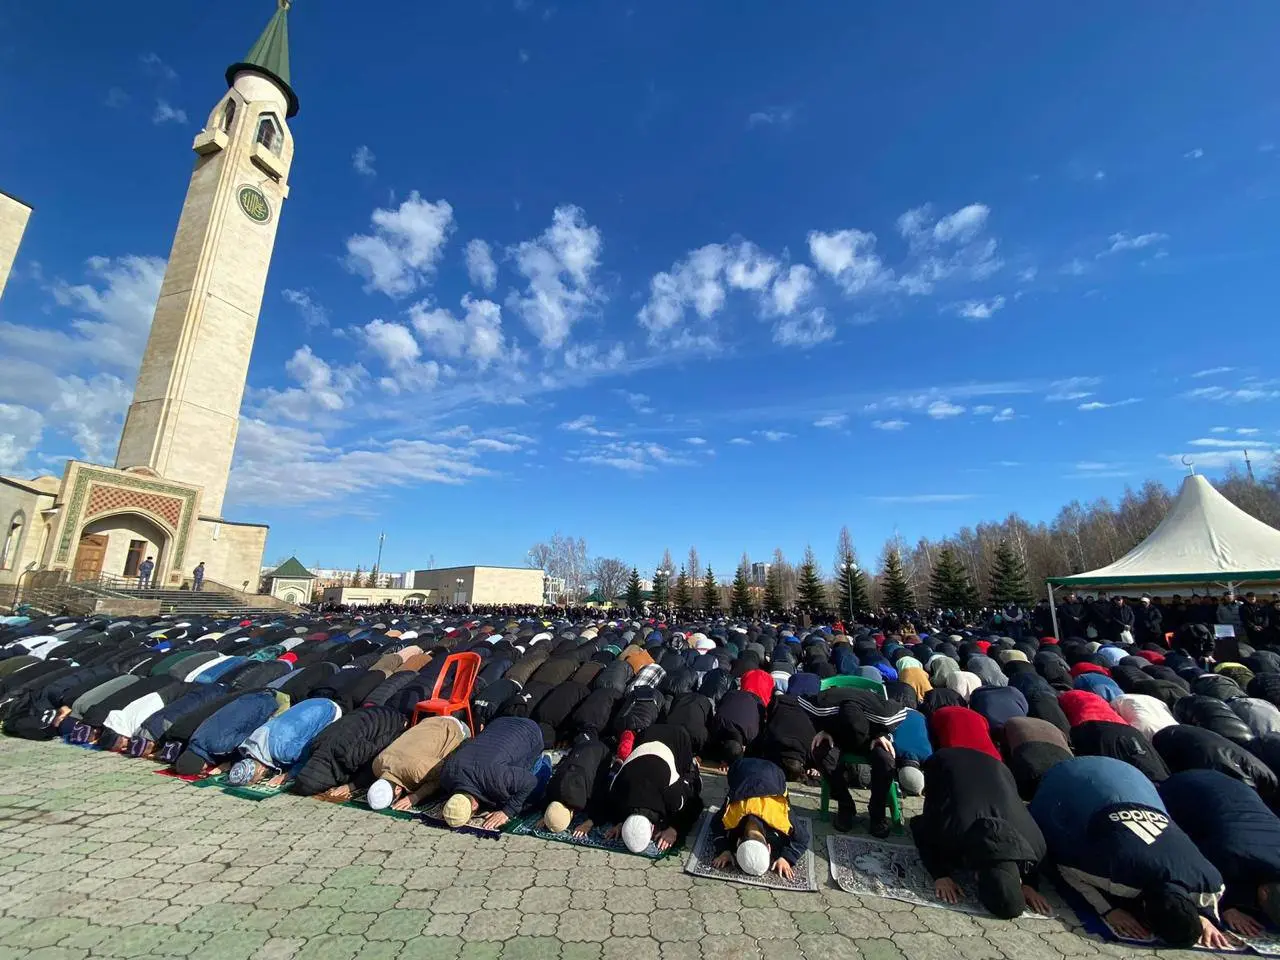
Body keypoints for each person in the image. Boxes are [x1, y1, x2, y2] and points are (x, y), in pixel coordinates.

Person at [1030, 756, 1231, 950]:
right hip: (1072, 778)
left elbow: (1208, 900)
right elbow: (1066, 869)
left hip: (1133, 778)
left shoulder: (1211, 882)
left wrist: (1203, 918)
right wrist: (1109, 910)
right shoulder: (1114, 868)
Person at [910, 747, 1052, 918]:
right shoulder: (952, 834)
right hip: (947, 761)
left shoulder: (1036, 849)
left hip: (999, 767)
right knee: (938, 807)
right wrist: (940, 874)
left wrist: (1030, 885)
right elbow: (919, 826)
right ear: (977, 877)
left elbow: (1031, 869)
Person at [1160, 769, 1280, 938]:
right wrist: (1225, 906)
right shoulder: (1231, 853)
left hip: (1236, 786)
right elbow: (1195, 869)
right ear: (1264, 893)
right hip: (1184, 788)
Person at [799, 684, 907, 837]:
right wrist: (823, 729)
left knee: (886, 760)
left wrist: (881, 733)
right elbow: (800, 701)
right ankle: (845, 805)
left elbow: (904, 710)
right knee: (821, 752)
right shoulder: (825, 703)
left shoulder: (882, 713)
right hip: (836, 730)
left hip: (871, 734)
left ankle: (877, 812)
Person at [601, 723, 704, 853]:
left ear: (652, 829)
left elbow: (695, 804)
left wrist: (674, 829)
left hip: (677, 737)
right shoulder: (617, 794)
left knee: (692, 781)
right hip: (646, 734)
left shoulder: (670, 794)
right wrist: (621, 822)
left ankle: (694, 766)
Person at [438, 715, 547, 830]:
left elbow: (530, 782)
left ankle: (546, 761)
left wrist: (507, 812)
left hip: (530, 731)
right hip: (499, 722)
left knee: (533, 795)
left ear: (475, 806)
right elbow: (465, 744)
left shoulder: (497, 778)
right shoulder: (447, 774)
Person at [709, 758, 810, 880]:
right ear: (768, 847)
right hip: (741, 767)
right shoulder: (733, 811)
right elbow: (715, 824)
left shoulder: (779, 812)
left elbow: (803, 837)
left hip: (773, 771)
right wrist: (723, 849)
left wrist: (787, 858)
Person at [227, 697, 342, 787]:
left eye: (255, 781)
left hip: (328, 709)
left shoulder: (284, 753)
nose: (259, 781)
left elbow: (309, 754)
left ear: (260, 770)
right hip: (309, 703)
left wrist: (288, 775)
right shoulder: (251, 742)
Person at [365, 714, 470, 812]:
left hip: (456, 727)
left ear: (397, 789)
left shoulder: (418, 771)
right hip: (429, 720)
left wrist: (416, 796)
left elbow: (443, 774)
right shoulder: (377, 764)